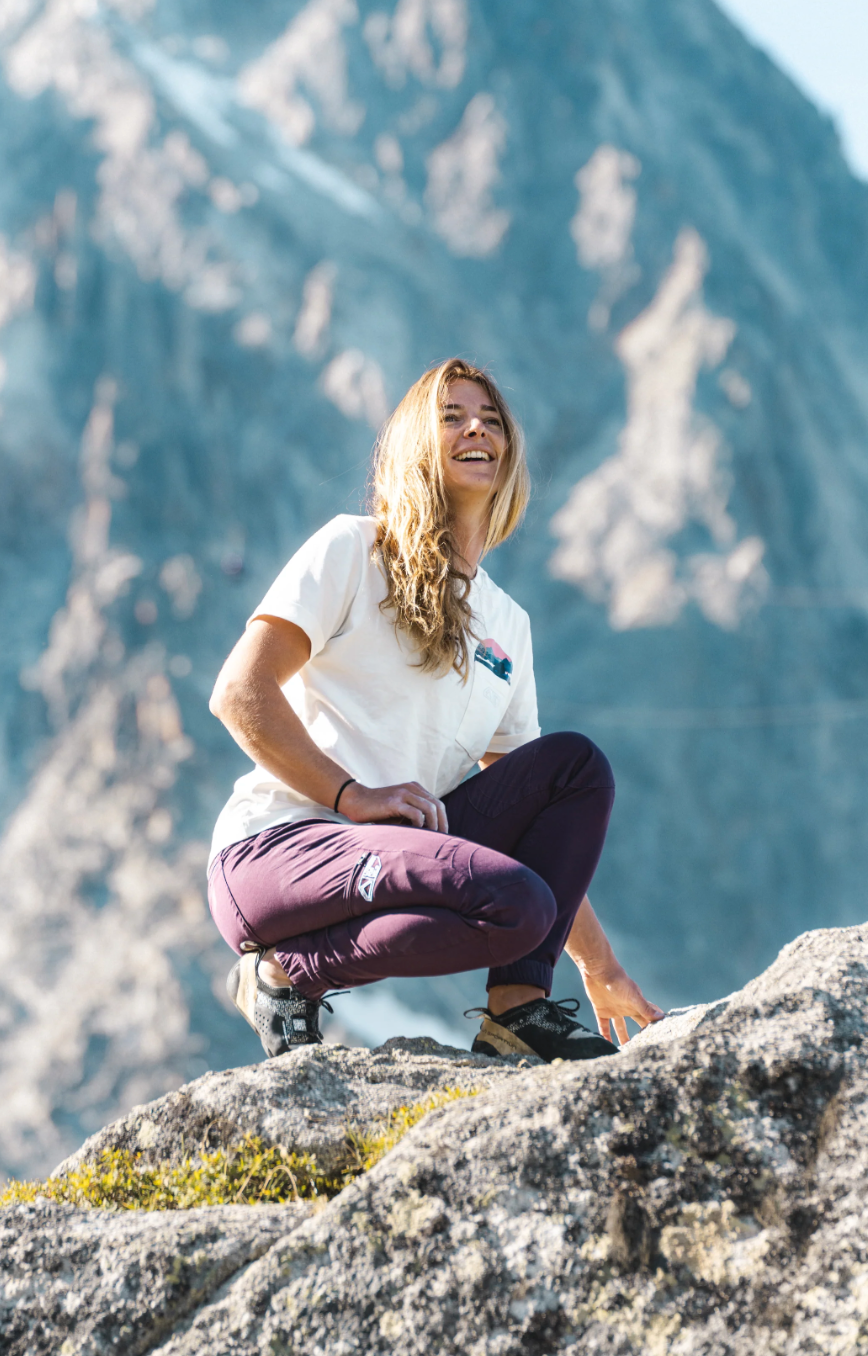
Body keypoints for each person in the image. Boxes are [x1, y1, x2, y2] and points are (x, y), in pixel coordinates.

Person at [207, 358, 663, 1063]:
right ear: (415, 446)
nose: (477, 428)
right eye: (451, 417)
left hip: (398, 850)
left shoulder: (506, 626)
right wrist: (350, 796)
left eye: (491, 419)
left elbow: (540, 831)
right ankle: (282, 974)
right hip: (277, 851)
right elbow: (240, 693)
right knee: (518, 899)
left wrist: (600, 966)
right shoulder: (353, 549)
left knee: (573, 773)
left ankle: (519, 1011)